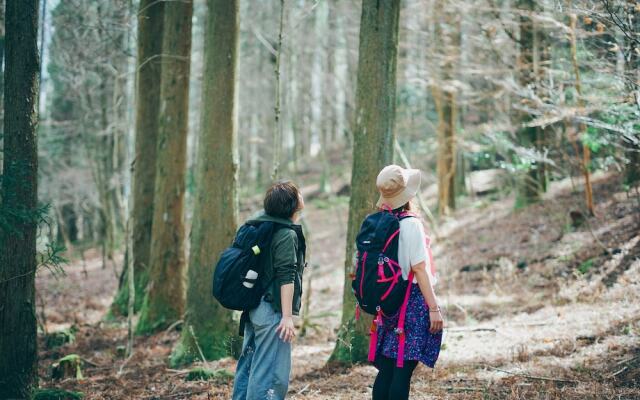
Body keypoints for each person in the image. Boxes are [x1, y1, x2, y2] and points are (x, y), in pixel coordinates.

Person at [371, 165, 444, 400]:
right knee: (401, 373)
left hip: (388, 302)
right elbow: (420, 270)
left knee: (388, 370)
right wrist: (434, 308)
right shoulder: (411, 224)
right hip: (411, 303)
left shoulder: (378, 223)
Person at [232, 181, 306, 400]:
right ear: (292, 205)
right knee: (271, 375)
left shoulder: (260, 226)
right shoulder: (285, 234)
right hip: (271, 311)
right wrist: (286, 317)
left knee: (249, 367)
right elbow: (286, 277)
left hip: (254, 308)